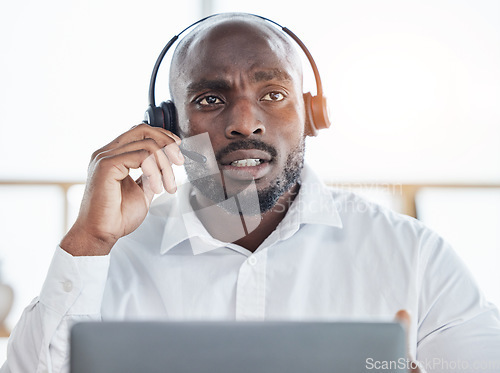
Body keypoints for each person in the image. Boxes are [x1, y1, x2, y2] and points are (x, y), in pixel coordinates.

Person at [2, 13, 500, 373]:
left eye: (274, 94)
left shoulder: (413, 254)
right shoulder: (108, 259)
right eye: (210, 98)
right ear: (169, 127)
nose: (244, 123)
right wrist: (89, 240)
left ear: (311, 117)